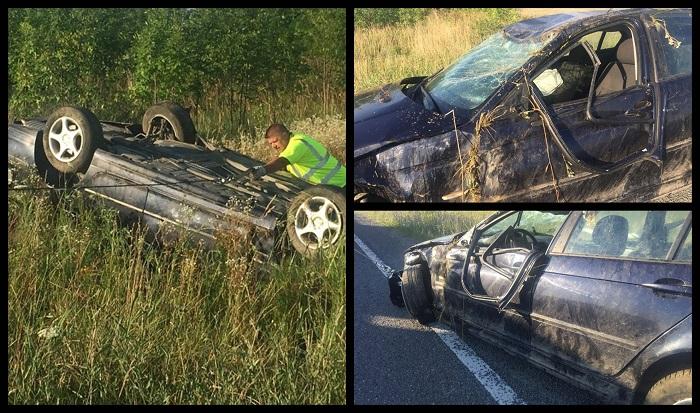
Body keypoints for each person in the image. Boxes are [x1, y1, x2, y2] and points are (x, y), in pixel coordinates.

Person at [249, 123, 345, 188]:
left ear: (285, 135)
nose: (274, 146)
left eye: (275, 141)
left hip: (341, 183)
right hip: (333, 185)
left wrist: (262, 171)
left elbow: (281, 162)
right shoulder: (290, 145)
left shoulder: (297, 144)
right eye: (271, 144)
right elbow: (282, 165)